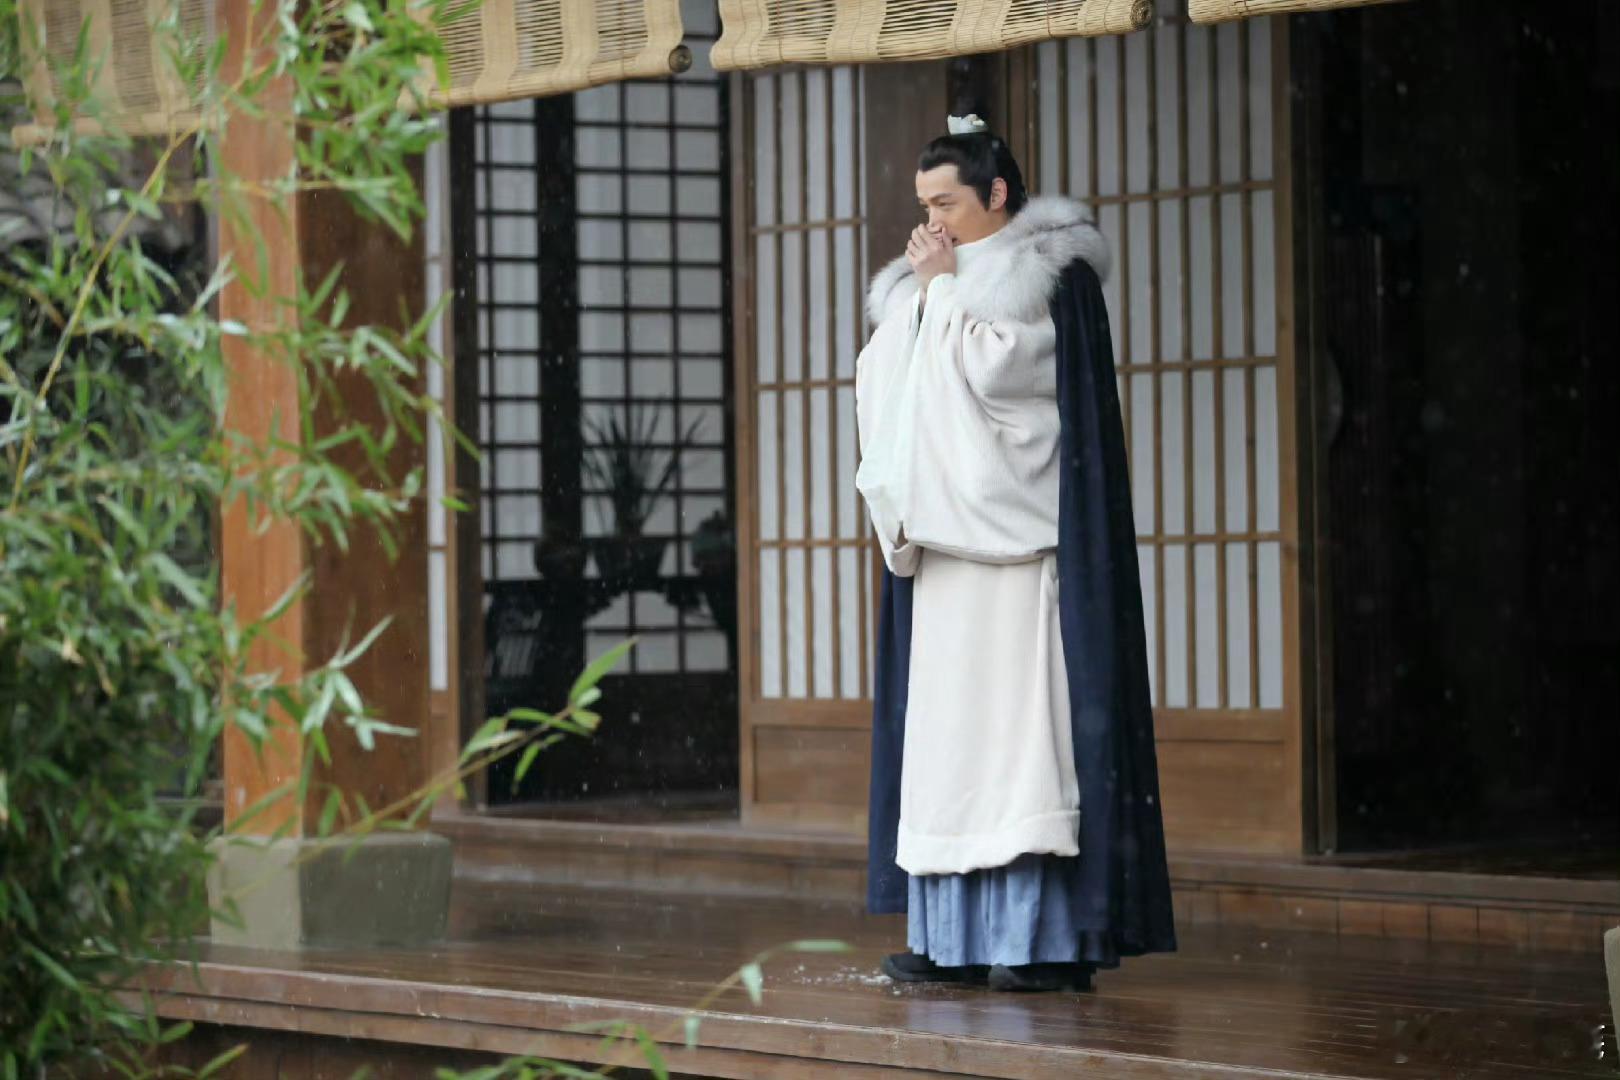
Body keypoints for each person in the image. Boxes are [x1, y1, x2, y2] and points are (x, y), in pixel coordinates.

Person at [856, 115, 1176, 993]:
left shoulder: (1047, 273)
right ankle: (949, 937)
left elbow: (1010, 381)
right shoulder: (927, 281)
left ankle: (1040, 939)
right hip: (948, 560)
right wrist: (929, 298)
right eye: (924, 205)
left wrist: (943, 296)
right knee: (948, 757)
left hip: (1021, 551)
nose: (932, 222)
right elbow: (885, 386)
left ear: (996, 193)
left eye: (947, 203)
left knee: (1024, 753)